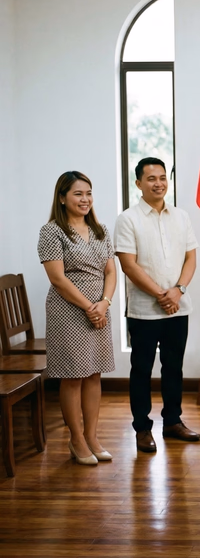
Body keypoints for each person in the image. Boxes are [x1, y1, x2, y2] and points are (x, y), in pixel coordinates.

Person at [114, 157, 200, 453]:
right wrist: (161, 295)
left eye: (162, 177)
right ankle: (141, 428)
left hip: (179, 307)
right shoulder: (128, 219)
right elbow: (129, 264)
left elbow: (191, 258)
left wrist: (178, 291)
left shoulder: (181, 216)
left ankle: (173, 421)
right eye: (151, 178)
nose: (158, 183)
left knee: (173, 367)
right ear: (138, 183)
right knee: (141, 369)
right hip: (143, 310)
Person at [37, 171, 117, 466]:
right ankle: (76, 439)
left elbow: (111, 271)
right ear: (62, 198)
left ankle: (92, 436)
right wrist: (89, 307)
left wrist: (104, 304)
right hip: (68, 311)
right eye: (77, 194)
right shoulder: (51, 232)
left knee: (94, 372)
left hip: (99, 310)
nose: (85, 199)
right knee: (72, 376)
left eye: (88, 193)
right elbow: (57, 278)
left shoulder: (100, 229)